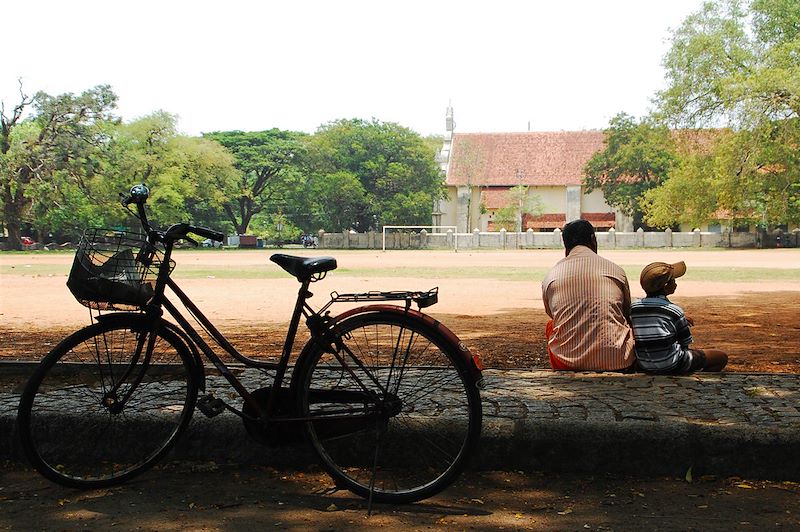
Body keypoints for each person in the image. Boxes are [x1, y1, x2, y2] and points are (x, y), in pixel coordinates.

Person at [541, 219, 636, 371]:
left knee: (551, 326)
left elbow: (553, 315)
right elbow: (626, 313)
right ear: (593, 239)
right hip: (618, 360)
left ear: (565, 245)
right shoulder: (616, 271)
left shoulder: (551, 276)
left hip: (568, 363)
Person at [630, 261, 728, 374]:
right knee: (721, 357)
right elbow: (685, 342)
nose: (676, 283)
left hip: (644, 363)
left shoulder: (634, 307)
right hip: (672, 363)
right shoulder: (674, 310)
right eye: (673, 280)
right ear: (666, 286)